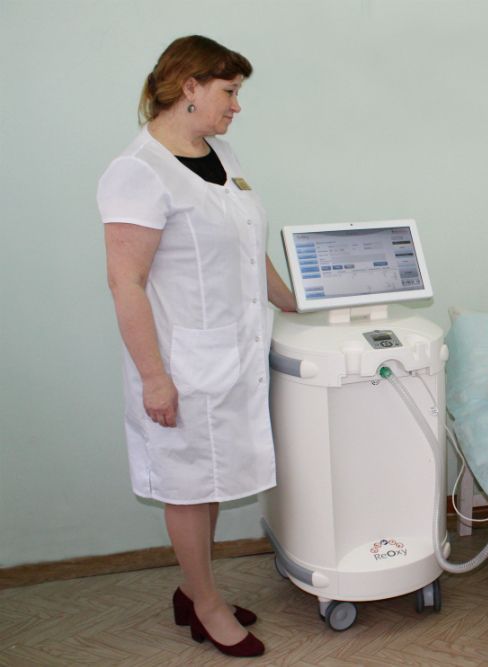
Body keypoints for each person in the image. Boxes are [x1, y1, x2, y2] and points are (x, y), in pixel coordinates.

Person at [98, 35, 297, 658]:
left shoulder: (219, 152)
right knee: (187, 484)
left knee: (209, 479)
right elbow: (125, 282)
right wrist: (154, 378)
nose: (237, 106)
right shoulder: (138, 171)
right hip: (180, 362)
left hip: (234, 353)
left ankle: (193, 590)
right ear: (189, 87)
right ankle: (206, 605)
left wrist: (291, 301)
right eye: (229, 92)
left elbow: (247, 245)